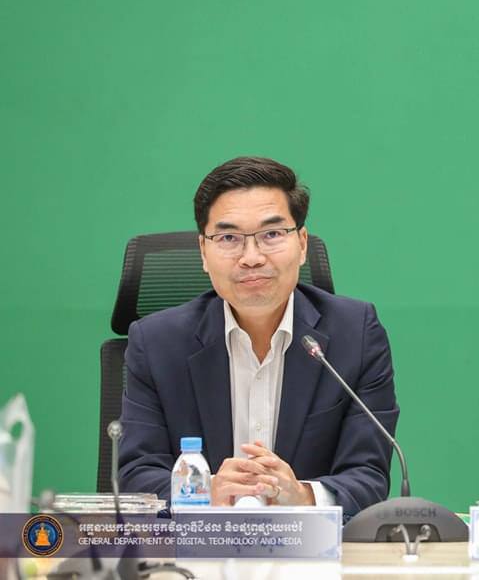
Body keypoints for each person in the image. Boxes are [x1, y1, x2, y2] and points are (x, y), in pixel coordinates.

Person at [119, 156, 399, 516]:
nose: (251, 257)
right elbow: (136, 474)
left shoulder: (355, 334)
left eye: (272, 235)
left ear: (301, 244)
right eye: (229, 238)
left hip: (311, 547)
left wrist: (303, 495)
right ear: (203, 252)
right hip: (198, 546)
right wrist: (205, 491)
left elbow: (368, 476)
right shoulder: (156, 343)